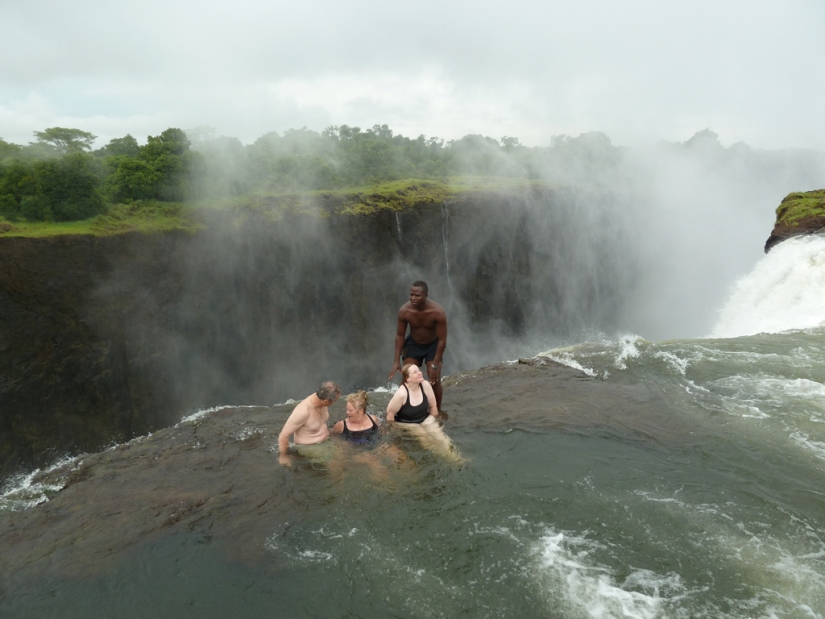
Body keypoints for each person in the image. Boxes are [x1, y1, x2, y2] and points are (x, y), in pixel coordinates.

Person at [388, 280, 448, 412]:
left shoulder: (437, 312)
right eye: (411, 295)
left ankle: (436, 411)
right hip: (413, 344)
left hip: (433, 345)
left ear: (426, 295)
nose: (413, 298)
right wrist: (396, 361)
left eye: (417, 295)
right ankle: (401, 410)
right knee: (407, 377)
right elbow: (399, 335)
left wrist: (435, 364)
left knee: (434, 378)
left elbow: (442, 340)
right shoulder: (405, 311)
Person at [387, 363, 460, 461]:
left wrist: (436, 421)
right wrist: (394, 434)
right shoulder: (401, 394)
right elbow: (390, 415)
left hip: (425, 418)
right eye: (415, 372)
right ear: (408, 378)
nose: (420, 373)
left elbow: (433, 407)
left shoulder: (425, 385)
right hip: (408, 423)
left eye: (419, 370)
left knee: (441, 437)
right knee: (425, 439)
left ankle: (457, 459)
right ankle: (443, 459)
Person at [278, 381, 341, 467]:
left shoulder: (321, 397)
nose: (334, 403)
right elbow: (283, 436)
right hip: (309, 447)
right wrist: (284, 456)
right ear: (326, 401)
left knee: (347, 453)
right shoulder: (303, 412)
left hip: (326, 441)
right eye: (334, 401)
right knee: (335, 464)